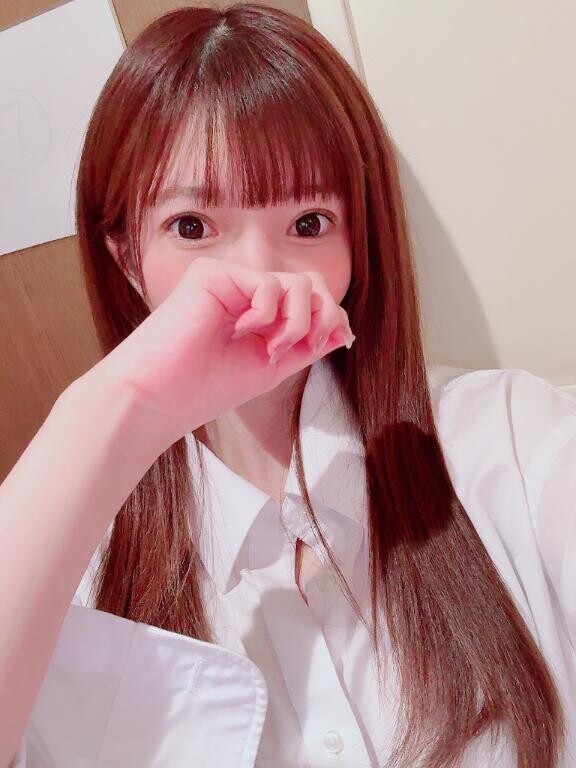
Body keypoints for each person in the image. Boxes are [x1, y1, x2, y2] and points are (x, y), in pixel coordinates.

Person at [0, 3, 575, 767]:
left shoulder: (507, 441)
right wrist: (117, 405)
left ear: (358, 245)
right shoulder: (70, 564)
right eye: (192, 226)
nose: (257, 277)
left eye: (308, 223)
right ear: (127, 257)